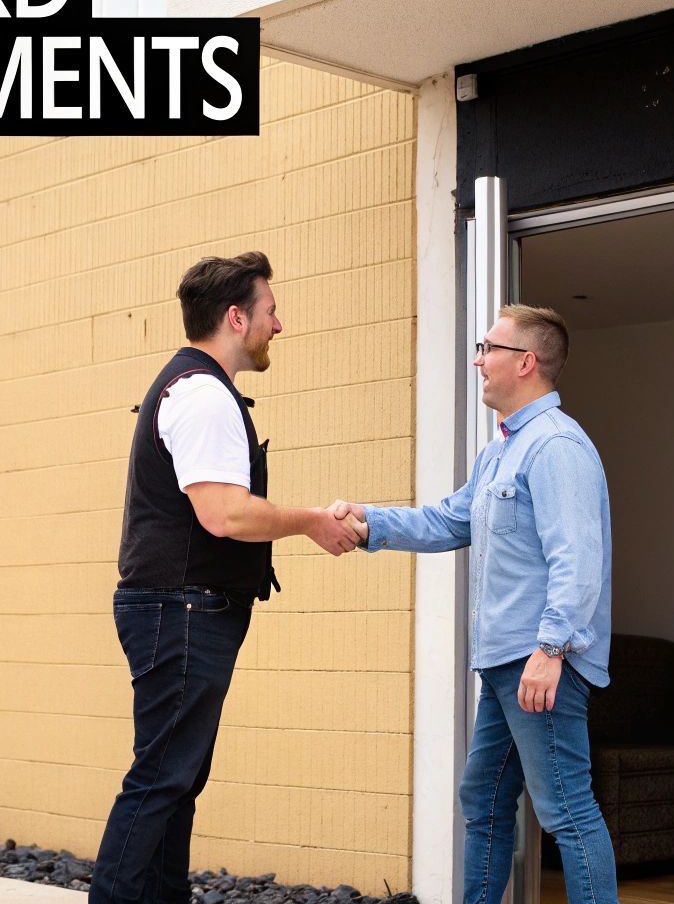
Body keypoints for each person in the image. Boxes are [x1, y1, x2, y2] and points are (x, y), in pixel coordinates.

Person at [90, 251, 366, 904]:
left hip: (181, 610)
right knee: (161, 780)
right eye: (271, 311)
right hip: (181, 610)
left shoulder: (196, 389)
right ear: (236, 318)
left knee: (175, 781)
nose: (279, 324)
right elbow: (224, 515)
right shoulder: (203, 396)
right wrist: (312, 522)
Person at [331, 304, 618, 904]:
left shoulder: (556, 446)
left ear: (526, 362)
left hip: (539, 663)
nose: (478, 360)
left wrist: (551, 649)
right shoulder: (500, 452)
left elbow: (578, 559)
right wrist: (368, 521)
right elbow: (446, 520)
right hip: (505, 663)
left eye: (489, 348)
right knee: (483, 800)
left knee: (567, 810)